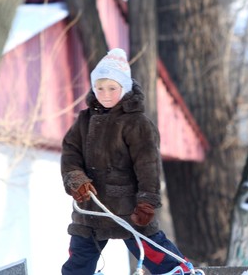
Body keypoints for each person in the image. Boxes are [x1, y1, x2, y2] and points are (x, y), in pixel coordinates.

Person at [60, 48, 194, 275]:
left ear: (124, 88)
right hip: (91, 206)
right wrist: (75, 177)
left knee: (151, 247)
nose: (106, 94)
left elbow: (147, 165)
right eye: (99, 88)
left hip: (127, 204)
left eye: (112, 88)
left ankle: (179, 271)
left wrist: (147, 201)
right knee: (80, 257)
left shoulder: (137, 123)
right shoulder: (84, 121)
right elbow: (70, 152)